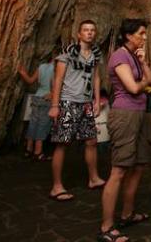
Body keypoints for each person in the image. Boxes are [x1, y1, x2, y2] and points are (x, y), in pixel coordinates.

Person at [99, 19, 151, 242]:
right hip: (124, 115)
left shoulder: (134, 57)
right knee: (119, 170)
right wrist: (142, 82)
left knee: (139, 165)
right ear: (128, 35)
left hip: (140, 114)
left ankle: (127, 214)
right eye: (141, 33)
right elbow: (133, 88)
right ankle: (106, 227)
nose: (144, 37)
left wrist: (143, 64)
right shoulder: (119, 56)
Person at [48, 20, 106, 202]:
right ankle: (56, 187)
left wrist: (97, 100)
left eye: (92, 30)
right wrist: (55, 106)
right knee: (62, 143)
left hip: (86, 103)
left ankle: (94, 178)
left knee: (91, 141)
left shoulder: (96, 55)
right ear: (79, 34)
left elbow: (96, 78)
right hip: (68, 102)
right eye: (86, 30)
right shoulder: (67, 54)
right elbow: (58, 79)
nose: (89, 33)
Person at [17, 52, 56, 161]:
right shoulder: (56, 70)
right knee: (43, 125)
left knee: (33, 123)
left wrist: (22, 72)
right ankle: (38, 152)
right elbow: (54, 85)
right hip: (46, 99)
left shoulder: (42, 67)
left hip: (36, 97)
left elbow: (30, 80)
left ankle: (28, 149)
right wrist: (53, 94)